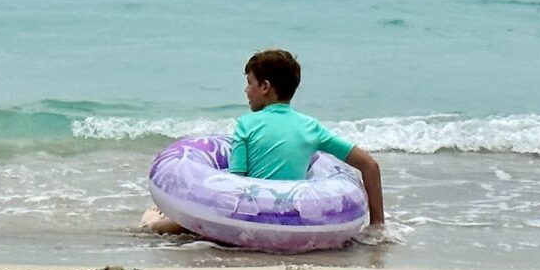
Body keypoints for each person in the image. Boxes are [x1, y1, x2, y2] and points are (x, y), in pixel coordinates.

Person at [142, 48, 386, 238]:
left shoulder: (246, 125)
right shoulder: (312, 128)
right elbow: (370, 165)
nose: (246, 90)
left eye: (250, 82)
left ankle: (153, 224)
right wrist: (377, 226)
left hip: (246, 223)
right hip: (292, 222)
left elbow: (231, 187)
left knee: (180, 222)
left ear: (265, 87)